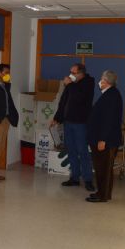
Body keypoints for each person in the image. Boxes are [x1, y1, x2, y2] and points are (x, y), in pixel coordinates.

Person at [51, 63, 95, 191]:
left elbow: (80, 98)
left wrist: (70, 84)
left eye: (73, 73)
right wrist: (57, 118)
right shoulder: (71, 85)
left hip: (81, 123)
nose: (70, 75)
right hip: (68, 122)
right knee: (71, 150)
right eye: (70, 72)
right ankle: (74, 178)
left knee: (82, 151)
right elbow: (63, 102)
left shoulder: (88, 83)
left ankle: (88, 179)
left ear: (81, 73)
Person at [86, 70, 123, 203]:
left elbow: (109, 120)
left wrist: (103, 139)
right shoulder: (109, 94)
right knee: (101, 168)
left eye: (102, 79)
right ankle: (102, 193)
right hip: (101, 138)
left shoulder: (112, 96)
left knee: (104, 169)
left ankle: (103, 195)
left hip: (105, 140)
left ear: (106, 82)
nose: (100, 81)